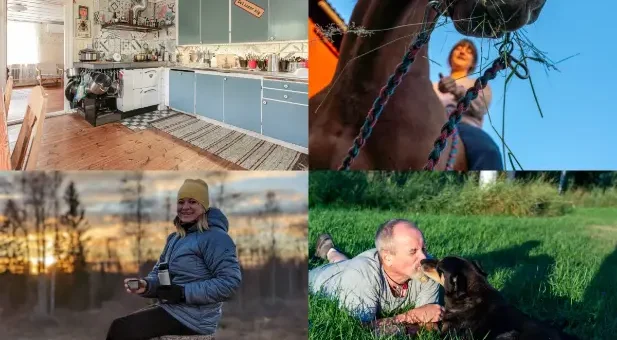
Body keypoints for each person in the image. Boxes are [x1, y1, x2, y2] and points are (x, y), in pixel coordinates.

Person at [106, 179, 242, 340]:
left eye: (192, 202)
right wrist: (147, 285)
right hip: (173, 310)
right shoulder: (176, 238)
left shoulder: (216, 238)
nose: (185, 207)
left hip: (194, 319)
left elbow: (230, 283)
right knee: (120, 326)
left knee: (121, 329)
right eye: (181, 202)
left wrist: (183, 293)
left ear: (203, 206)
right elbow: (160, 273)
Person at [309, 219, 443, 336]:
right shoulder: (360, 275)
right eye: (413, 251)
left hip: (350, 267)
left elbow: (429, 322)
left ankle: (329, 250)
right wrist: (411, 316)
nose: (424, 258)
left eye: (423, 249)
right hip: (322, 278)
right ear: (387, 258)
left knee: (344, 263)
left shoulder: (426, 268)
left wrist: (411, 325)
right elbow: (357, 328)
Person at [434, 38, 504, 170]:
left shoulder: (479, 85)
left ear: (472, 63)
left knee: (488, 151)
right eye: (459, 48)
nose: (462, 51)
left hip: (464, 127)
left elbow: (480, 107)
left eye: (469, 51)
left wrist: (456, 89)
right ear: (450, 57)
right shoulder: (432, 86)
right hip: (433, 124)